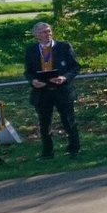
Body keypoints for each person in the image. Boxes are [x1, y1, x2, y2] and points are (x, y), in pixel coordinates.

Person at [22, 21, 82, 160]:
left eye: (49, 31)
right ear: (36, 35)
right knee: (44, 124)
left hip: (62, 90)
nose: (47, 34)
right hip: (42, 92)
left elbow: (75, 67)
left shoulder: (64, 47)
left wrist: (64, 77)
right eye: (43, 32)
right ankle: (47, 152)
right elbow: (28, 72)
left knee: (68, 120)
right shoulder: (31, 50)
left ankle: (74, 149)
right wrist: (33, 81)